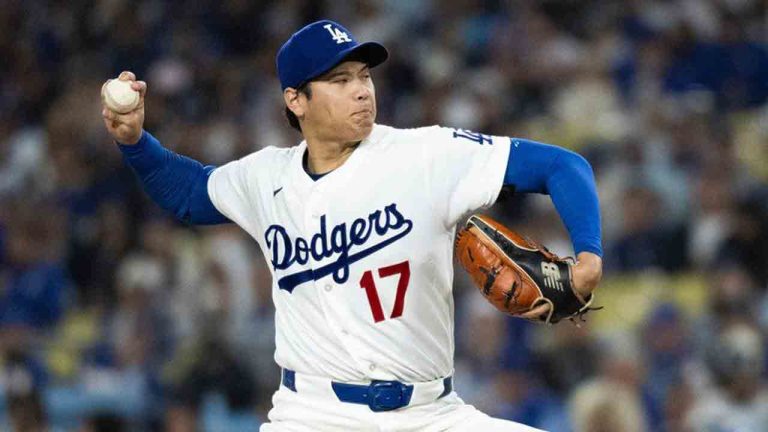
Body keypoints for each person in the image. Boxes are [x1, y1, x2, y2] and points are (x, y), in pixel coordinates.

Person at [101, 20, 603, 432]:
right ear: (296, 100)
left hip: (429, 415)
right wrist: (135, 141)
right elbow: (190, 195)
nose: (362, 91)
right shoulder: (266, 177)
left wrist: (589, 255)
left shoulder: (426, 154)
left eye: (364, 76)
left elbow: (563, 166)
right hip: (312, 415)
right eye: (340, 81)